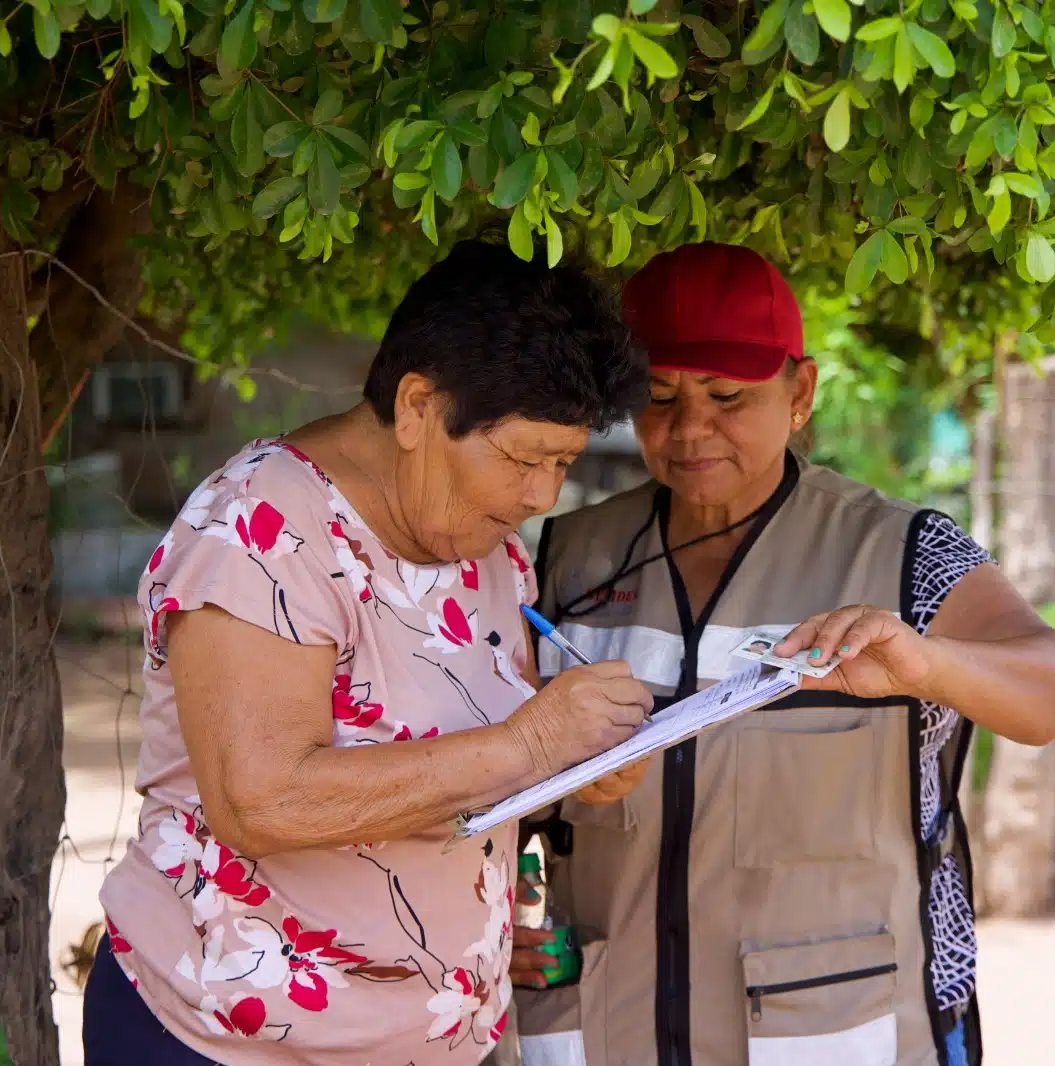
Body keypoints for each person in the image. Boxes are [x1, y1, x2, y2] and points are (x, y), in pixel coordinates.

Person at [512, 242, 1055, 1066]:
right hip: (610, 1022)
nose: (689, 431)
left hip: (837, 1030)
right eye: (658, 397)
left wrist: (927, 665)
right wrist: (513, 914)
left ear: (801, 392)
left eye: (726, 396)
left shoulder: (903, 553)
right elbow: (513, 788)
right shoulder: (565, 557)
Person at [84, 236, 656, 1066]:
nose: (540, 495)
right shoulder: (261, 529)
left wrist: (564, 769)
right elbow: (263, 802)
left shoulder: (486, 544)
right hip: (229, 1040)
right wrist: (528, 743)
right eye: (523, 457)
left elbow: (478, 770)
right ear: (418, 406)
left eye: (562, 462)